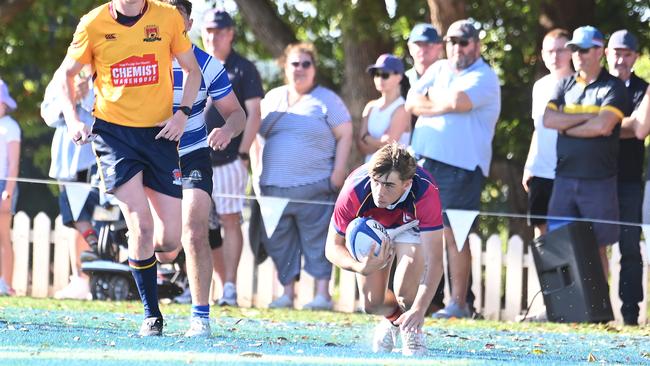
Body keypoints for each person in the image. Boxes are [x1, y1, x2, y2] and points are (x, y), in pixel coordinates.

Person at [57, 0, 202, 336]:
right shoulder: (92, 23)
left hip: (160, 133)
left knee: (170, 240)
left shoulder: (166, 17)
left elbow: (192, 71)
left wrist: (182, 113)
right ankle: (152, 316)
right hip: (114, 134)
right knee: (142, 224)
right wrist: (72, 119)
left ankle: (129, 244)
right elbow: (66, 73)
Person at [405, 19, 501, 319]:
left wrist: (431, 100)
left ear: (477, 45)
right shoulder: (438, 69)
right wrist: (439, 102)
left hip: (461, 168)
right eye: (452, 41)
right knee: (420, 232)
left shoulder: (485, 76)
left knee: (454, 234)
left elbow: (459, 102)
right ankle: (424, 301)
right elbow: (410, 102)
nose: (457, 47)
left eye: (464, 41)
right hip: (424, 162)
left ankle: (458, 303)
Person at [164, 0, 245, 337]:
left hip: (193, 153)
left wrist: (227, 130)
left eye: (176, 20)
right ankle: (152, 309)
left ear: (189, 22)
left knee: (195, 229)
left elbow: (238, 114)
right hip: (152, 155)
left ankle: (200, 317)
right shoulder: (140, 59)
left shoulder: (207, 64)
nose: (169, 26)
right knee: (162, 241)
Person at [325, 143, 444, 356]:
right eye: (376, 182)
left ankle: (412, 330)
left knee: (407, 295)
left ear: (407, 184)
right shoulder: (354, 189)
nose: (379, 192)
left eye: (388, 185)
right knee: (372, 304)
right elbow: (332, 247)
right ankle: (395, 321)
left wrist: (419, 309)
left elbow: (435, 260)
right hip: (373, 228)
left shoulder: (425, 191)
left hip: (410, 226)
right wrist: (359, 266)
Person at [259, 42, 352, 310]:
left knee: (319, 241)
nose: (300, 69)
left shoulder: (327, 100)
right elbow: (256, 136)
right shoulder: (273, 97)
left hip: (315, 186)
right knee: (279, 242)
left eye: (306, 64)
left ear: (314, 69)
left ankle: (322, 295)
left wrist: (338, 172)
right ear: (284, 67)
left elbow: (345, 133)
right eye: (295, 64)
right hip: (273, 187)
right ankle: (287, 294)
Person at [542, 26, 628, 278]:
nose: (578, 54)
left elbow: (603, 126)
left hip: (599, 181)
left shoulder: (614, 87)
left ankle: (599, 312)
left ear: (600, 51)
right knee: (558, 243)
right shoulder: (564, 84)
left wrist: (567, 125)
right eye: (574, 49)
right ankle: (562, 310)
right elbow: (548, 120)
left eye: (584, 49)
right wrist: (588, 118)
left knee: (597, 247)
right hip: (564, 178)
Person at [201, 9, 264, 307]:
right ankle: (207, 284)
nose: (213, 37)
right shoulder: (195, 63)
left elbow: (254, 115)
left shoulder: (243, 68)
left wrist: (243, 153)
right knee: (200, 224)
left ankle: (229, 287)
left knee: (229, 220)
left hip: (229, 158)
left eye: (220, 31)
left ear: (230, 33)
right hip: (195, 158)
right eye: (209, 30)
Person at [41, 68, 100, 300]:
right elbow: (48, 113)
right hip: (66, 160)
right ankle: (80, 277)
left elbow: (108, 111)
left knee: (91, 216)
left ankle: (90, 274)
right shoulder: (61, 75)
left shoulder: (105, 68)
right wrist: (71, 99)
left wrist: (84, 98)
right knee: (73, 218)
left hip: (94, 158)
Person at [606, 30, 648, 326]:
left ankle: (630, 313)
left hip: (630, 180)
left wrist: (602, 123)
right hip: (595, 177)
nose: (621, 58)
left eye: (627, 53)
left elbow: (639, 129)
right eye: (616, 52)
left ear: (636, 57)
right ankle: (591, 308)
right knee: (590, 243)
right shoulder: (595, 84)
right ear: (606, 53)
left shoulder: (643, 89)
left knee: (630, 247)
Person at [523, 29, 573, 238]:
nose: (555, 56)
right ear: (542, 54)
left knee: (571, 233)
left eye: (560, 50)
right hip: (540, 171)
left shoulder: (581, 85)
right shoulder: (540, 86)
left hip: (569, 172)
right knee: (540, 232)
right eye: (550, 51)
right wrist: (529, 165)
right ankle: (543, 273)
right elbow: (539, 128)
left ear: (571, 52)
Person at [358, 54, 410, 162]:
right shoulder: (370, 106)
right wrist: (378, 143)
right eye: (376, 74)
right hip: (369, 171)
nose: (379, 79)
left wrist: (366, 138)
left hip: (394, 174)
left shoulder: (403, 108)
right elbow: (361, 145)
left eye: (385, 74)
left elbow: (388, 144)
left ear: (399, 77)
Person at [401, 23, 444, 132]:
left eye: (428, 44)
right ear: (410, 47)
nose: (423, 49)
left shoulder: (448, 78)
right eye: (418, 44)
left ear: (439, 47)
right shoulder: (401, 80)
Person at [0, 79, 20, 297]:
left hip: (4, 184)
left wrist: (8, 191)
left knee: (3, 235)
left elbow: (13, 163)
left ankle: (7, 283)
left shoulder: (10, 127)